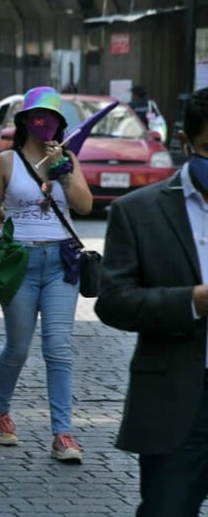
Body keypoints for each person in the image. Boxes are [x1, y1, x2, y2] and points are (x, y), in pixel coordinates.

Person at [95, 87, 208, 515]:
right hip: (179, 405)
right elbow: (115, 302)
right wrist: (193, 301)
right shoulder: (138, 213)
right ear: (185, 144)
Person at [0, 86, 92, 463]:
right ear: (24, 121)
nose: (43, 123)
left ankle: (62, 434)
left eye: (50, 117)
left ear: (59, 124)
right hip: (20, 262)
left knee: (58, 349)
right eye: (36, 116)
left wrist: (65, 174)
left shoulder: (68, 157)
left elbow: (85, 206)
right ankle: (0, 413)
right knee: (18, 348)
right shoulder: (7, 161)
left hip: (62, 263)